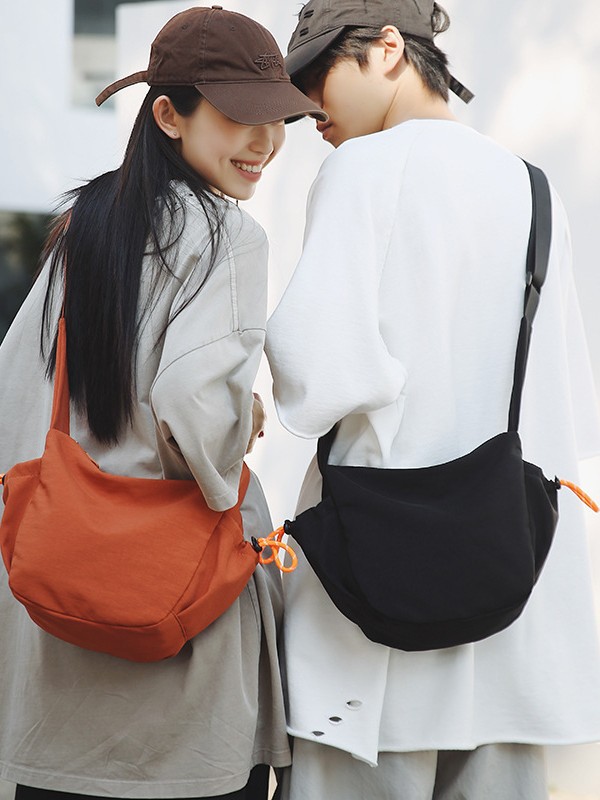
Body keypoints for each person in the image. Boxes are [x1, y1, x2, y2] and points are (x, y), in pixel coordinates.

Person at [266, 1, 600, 798]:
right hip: (511, 612)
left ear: (388, 50)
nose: (307, 106)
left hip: (375, 616)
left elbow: (315, 377)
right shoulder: (532, 187)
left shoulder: (360, 169)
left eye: (318, 74)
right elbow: (563, 396)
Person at [0, 6, 325, 799]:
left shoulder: (84, 227)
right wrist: (240, 424)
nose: (265, 141)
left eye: (278, 118)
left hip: (59, 635)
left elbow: (16, 394)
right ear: (169, 116)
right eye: (240, 116)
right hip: (180, 641)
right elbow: (193, 405)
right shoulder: (227, 236)